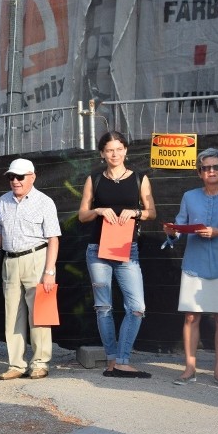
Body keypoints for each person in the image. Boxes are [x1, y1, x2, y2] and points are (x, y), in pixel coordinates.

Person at [164, 148, 218, 388]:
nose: (211, 171)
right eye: (206, 168)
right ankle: (190, 368)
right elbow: (180, 226)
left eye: (216, 167)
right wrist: (172, 232)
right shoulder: (189, 196)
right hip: (194, 264)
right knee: (191, 316)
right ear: (199, 172)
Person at [78, 131, 156, 379]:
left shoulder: (139, 178)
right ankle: (113, 360)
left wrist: (135, 213)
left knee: (137, 307)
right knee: (103, 307)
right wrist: (98, 210)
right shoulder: (94, 179)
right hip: (97, 250)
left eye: (119, 149)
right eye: (110, 150)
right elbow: (82, 215)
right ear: (102, 153)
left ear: (126, 150)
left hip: (127, 249)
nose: (115, 154)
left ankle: (123, 358)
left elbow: (152, 212)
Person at [0, 158, 61, 380]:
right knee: (13, 314)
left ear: (32, 177)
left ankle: (40, 363)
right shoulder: (3, 201)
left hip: (36, 258)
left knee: (39, 313)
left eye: (20, 177)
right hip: (10, 261)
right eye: (11, 177)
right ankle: (16, 365)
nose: (15, 181)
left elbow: (53, 239)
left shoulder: (44, 202)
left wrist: (49, 271)